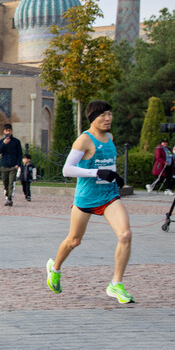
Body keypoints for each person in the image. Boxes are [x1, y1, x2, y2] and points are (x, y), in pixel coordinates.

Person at [46, 100, 134, 304]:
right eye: (103, 115)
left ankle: (116, 284)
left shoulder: (110, 137)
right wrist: (97, 172)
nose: (108, 119)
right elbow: (67, 170)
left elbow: (108, 164)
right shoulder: (84, 140)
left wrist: (115, 176)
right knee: (74, 240)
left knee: (126, 234)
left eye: (110, 114)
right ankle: (55, 268)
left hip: (109, 196)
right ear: (93, 118)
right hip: (86, 197)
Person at [0, 123, 23, 206]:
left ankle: (10, 198)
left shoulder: (16, 141)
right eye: (6, 130)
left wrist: (18, 164)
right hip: (4, 165)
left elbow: (20, 153)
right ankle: (8, 196)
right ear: (4, 131)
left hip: (13, 166)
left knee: (11, 182)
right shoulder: (1, 141)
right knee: (5, 183)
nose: (8, 132)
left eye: (9, 130)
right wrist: (4, 143)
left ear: (11, 131)